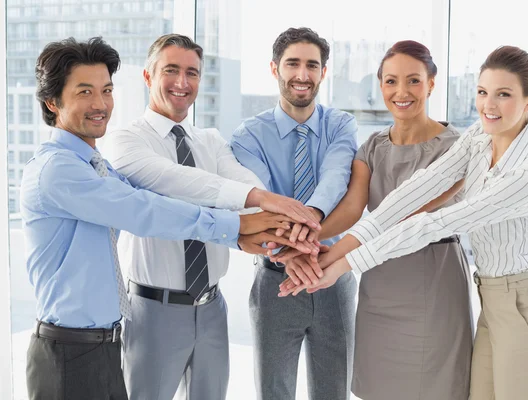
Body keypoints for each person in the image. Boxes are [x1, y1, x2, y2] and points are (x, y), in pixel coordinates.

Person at [22, 36, 313, 400]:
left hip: (110, 339)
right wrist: (238, 225)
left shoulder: (97, 165)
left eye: (106, 90)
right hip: (78, 345)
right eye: (84, 92)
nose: (100, 104)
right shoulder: (64, 169)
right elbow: (146, 207)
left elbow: (231, 182)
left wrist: (274, 230)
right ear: (53, 101)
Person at [281, 45, 528, 400]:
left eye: (504, 95)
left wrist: (340, 265)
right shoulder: (479, 139)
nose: (488, 106)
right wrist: (328, 257)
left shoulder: (526, 176)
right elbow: (404, 200)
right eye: (483, 93)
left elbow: (433, 224)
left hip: (526, 302)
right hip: (493, 299)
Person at [275, 40, 472, 400]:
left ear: (431, 83)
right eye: (391, 81)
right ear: (381, 86)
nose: (402, 92)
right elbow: (352, 210)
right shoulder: (372, 147)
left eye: (413, 81)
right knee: (379, 387)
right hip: (380, 283)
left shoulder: (456, 148)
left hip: (434, 278)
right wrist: (303, 242)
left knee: (435, 387)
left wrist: (326, 259)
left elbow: (396, 217)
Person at [230, 27, 358, 400]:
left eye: (312, 65)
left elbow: (336, 178)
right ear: (274, 69)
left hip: (333, 278)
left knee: (334, 391)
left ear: (323, 72)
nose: (302, 74)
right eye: (292, 64)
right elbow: (263, 202)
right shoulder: (248, 136)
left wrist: (308, 225)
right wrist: (296, 252)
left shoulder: (340, 125)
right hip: (275, 280)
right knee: (274, 391)